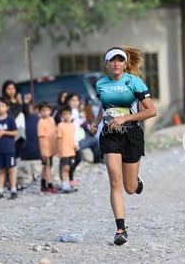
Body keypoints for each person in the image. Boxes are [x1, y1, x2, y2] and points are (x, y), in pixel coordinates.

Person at [88, 46, 157, 245]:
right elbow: (104, 105)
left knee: (129, 187)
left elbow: (151, 111)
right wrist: (95, 123)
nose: (116, 63)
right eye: (112, 60)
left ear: (125, 63)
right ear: (107, 63)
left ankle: (135, 180)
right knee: (115, 182)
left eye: (120, 60)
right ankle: (120, 229)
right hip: (109, 136)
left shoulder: (134, 82)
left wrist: (125, 118)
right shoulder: (101, 84)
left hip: (132, 135)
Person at [65, 93, 101, 186]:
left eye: (77, 100)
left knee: (77, 159)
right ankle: (67, 180)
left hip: (78, 140)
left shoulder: (75, 111)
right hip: (72, 142)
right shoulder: (68, 113)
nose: (75, 102)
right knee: (71, 161)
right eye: (73, 100)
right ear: (68, 101)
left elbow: (82, 123)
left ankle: (70, 179)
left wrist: (91, 129)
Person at [0, 97, 19, 200]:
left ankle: (13, 189)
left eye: (3, 106)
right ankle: (0, 190)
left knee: (10, 169)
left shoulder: (10, 119)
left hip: (9, 149)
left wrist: (4, 132)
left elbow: (15, 132)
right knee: (1, 170)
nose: (0, 108)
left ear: (7, 107)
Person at [1, 80, 30, 157]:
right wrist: (20, 105)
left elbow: (26, 115)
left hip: (20, 133)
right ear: (4, 90)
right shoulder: (3, 102)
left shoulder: (16, 101)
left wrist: (25, 104)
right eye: (9, 89)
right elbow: (12, 115)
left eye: (13, 88)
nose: (11, 91)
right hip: (10, 134)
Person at [37, 102, 58, 193]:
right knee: (48, 166)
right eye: (43, 110)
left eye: (47, 110)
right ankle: (50, 185)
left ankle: (43, 183)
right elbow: (41, 138)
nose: (45, 112)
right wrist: (42, 152)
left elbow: (55, 132)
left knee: (47, 166)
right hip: (46, 149)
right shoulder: (41, 122)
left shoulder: (52, 119)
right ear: (39, 112)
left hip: (51, 147)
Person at [57, 105, 78, 194]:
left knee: (69, 167)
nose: (67, 116)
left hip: (71, 150)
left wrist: (75, 145)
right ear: (61, 116)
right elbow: (59, 139)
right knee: (65, 167)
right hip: (64, 150)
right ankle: (64, 184)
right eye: (64, 114)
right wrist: (59, 150)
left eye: (68, 114)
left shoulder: (72, 125)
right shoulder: (60, 125)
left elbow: (73, 137)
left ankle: (67, 183)